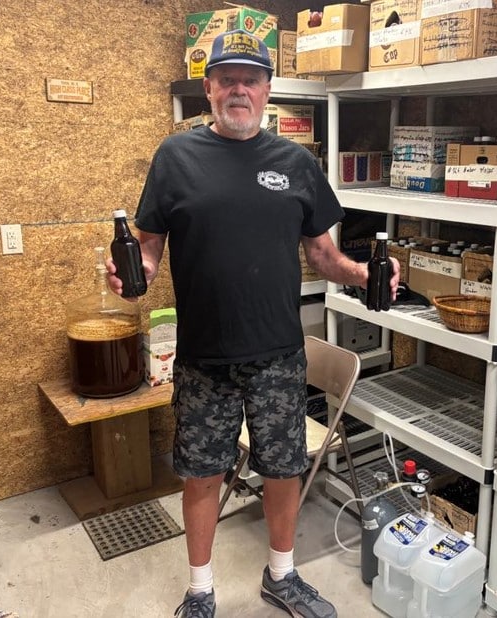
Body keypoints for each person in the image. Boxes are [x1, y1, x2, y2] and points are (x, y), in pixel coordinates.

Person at [106, 29, 400, 618]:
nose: (238, 90)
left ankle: (282, 577)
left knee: (284, 469)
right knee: (200, 475)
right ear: (209, 89)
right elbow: (149, 247)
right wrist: (130, 271)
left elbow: (322, 255)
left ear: (267, 91)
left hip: (276, 355)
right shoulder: (175, 157)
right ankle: (200, 589)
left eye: (251, 80)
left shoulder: (295, 162)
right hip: (202, 359)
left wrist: (364, 276)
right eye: (227, 79)